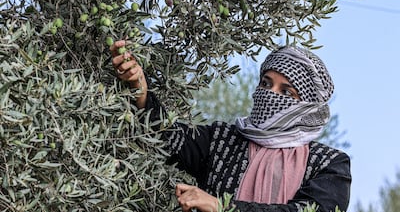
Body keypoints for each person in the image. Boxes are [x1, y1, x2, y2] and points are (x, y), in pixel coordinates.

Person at [110, 41, 351, 212]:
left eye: (286, 91)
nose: (270, 95)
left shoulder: (329, 164)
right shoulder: (224, 140)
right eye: (266, 84)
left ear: (307, 106)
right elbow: (168, 138)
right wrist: (139, 87)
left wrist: (221, 207)